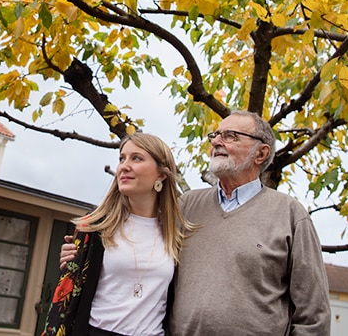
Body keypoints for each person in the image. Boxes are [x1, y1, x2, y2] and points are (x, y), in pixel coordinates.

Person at [61, 111, 331, 335]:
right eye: (215, 135)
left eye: (230, 136)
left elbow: (313, 315)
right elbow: (139, 238)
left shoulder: (290, 215)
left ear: (261, 154)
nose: (217, 142)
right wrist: (83, 253)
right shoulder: (186, 206)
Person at [42, 132, 195, 336]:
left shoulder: (176, 234)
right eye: (122, 158)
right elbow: (64, 301)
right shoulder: (95, 227)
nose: (124, 166)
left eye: (136, 158)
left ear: (161, 174)